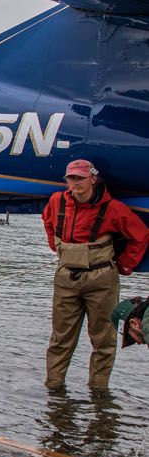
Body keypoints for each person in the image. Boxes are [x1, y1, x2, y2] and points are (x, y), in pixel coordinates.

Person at [42, 158, 149, 389]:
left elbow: (140, 235)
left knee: (103, 340)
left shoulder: (113, 208)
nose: (75, 183)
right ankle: (54, 388)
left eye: (80, 178)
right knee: (60, 338)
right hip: (66, 276)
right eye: (71, 178)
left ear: (93, 179)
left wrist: (125, 265)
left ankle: (98, 391)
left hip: (101, 278)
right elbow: (48, 224)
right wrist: (59, 248)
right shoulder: (56, 201)